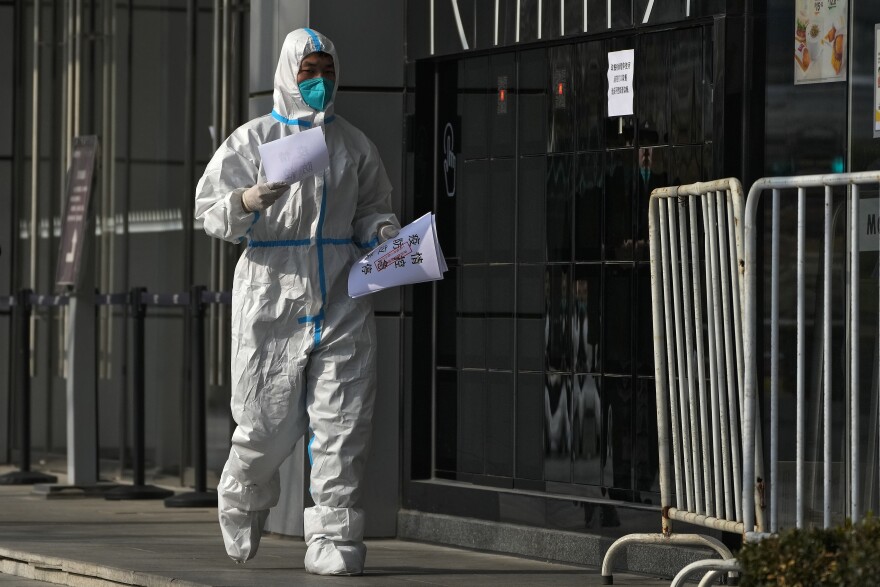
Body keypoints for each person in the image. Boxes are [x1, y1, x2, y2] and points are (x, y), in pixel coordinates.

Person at [194, 27, 399, 576]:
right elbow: (208, 207)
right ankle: (243, 490)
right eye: (308, 72)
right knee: (265, 422)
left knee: (342, 422)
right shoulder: (253, 139)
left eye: (327, 71)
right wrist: (245, 198)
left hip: (339, 293)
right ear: (288, 74)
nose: (319, 82)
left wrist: (383, 232)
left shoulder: (353, 145)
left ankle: (334, 540)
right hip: (272, 293)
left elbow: (373, 207)